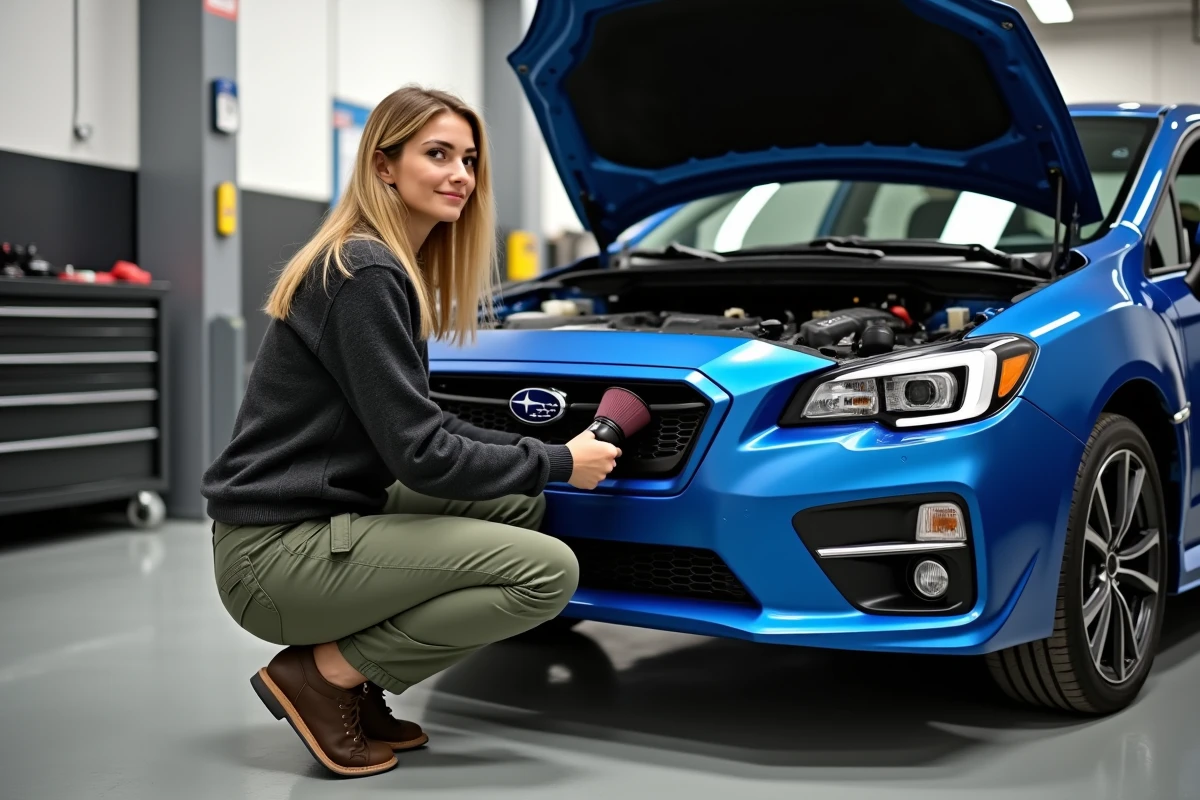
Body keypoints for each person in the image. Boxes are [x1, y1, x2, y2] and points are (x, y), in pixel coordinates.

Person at [200, 85, 620, 778]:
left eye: (470, 158)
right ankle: (324, 676)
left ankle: (357, 683)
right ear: (384, 166)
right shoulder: (363, 272)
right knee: (547, 573)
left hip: (319, 519)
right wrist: (557, 457)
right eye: (438, 154)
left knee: (515, 503)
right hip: (272, 558)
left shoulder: (386, 266)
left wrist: (539, 458)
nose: (461, 174)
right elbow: (421, 456)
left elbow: (420, 424)